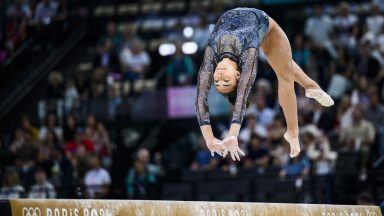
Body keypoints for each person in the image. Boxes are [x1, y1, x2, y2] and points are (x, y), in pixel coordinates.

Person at [196, 8, 334, 161]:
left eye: (218, 81)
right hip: (266, 27)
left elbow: (200, 100)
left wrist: (209, 138)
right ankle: (293, 133)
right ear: (237, 75)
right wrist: (231, 135)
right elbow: (242, 98)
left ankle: (310, 87)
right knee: (285, 76)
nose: (220, 77)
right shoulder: (247, 57)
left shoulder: (210, 60)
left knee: (285, 66)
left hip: (251, 20)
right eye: (226, 81)